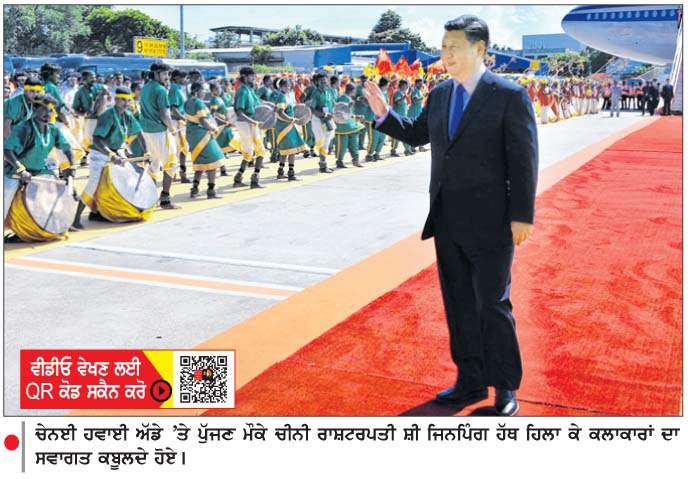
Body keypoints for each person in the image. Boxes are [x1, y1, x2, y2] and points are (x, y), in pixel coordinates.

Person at [364, 14, 538, 416]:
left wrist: (522, 215)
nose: (446, 54)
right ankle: (470, 379)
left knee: (493, 303)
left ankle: (505, 387)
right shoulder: (440, 93)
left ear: (480, 49)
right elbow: (417, 133)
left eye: (454, 47)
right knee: (458, 303)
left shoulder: (509, 95)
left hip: (493, 221)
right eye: (443, 47)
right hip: (447, 219)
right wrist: (385, 115)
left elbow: (524, 159)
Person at [73, 87, 147, 228]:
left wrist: (146, 153)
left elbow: (139, 133)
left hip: (116, 153)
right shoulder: (107, 116)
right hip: (99, 153)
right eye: (123, 100)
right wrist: (111, 155)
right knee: (93, 185)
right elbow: (97, 140)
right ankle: (75, 220)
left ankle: (99, 212)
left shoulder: (127, 115)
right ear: (116, 100)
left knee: (125, 178)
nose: (126, 103)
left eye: (128, 100)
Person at [4, 95, 75, 225]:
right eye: (44, 110)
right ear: (35, 108)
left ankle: (59, 225)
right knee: (5, 199)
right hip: (15, 171)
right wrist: (21, 170)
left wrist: (72, 166)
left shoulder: (53, 129)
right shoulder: (23, 128)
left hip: (39, 171)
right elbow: (7, 151)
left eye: (51, 110)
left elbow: (67, 149)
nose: (48, 114)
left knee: (59, 191)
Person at [139, 62, 181, 209]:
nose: (167, 76)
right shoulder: (160, 90)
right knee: (171, 164)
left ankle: (150, 198)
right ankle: (165, 199)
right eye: (164, 73)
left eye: (167, 74)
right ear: (156, 74)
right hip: (159, 131)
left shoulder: (145, 87)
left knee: (153, 166)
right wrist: (173, 129)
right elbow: (164, 115)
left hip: (146, 131)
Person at [184, 81, 225, 199]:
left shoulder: (188, 102)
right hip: (202, 136)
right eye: (203, 90)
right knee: (213, 161)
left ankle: (194, 189)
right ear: (196, 91)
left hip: (192, 135)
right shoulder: (198, 102)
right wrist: (213, 128)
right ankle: (211, 191)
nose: (205, 93)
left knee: (200, 163)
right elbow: (203, 120)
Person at [233, 66, 267, 189]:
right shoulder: (242, 90)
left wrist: (272, 106)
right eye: (251, 76)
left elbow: (259, 104)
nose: (254, 78)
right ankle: (254, 180)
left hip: (250, 123)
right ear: (244, 77)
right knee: (259, 151)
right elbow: (239, 112)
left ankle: (238, 178)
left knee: (249, 153)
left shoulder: (248, 89)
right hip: (246, 124)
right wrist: (254, 122)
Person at [272, 78, 307, 180]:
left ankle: (280, 172)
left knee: (285, 151)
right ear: (281, 87)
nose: (288, 87)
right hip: (285, 126)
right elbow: (280, 112)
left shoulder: (284, 96)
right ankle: (291, 173)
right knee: (292, 150)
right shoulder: (282, 97)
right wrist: (291, 119)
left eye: (288, 85)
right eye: (285, 86)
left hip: (286, 125)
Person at [308, 72, 336, 173]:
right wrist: (324, 115)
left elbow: (332, 104)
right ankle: (323, 165)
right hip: (318, 120)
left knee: (327, 141)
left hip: (328, 119)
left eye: (325, 80)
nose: (323, 82)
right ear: (317, 82)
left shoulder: (329, 91)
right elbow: (312, 109)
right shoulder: (315, 93)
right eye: (321, 81)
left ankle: (323, 164)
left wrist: (332, 113)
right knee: (322, 142)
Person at [334, 82, 365, 168]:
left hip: (351, 125)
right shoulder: (343, 98)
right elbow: (341, 112)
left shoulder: (347, 98)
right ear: (352, 90)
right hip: (343, 126)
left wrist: (356, 116)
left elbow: (349, 113)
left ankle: (355, 160)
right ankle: (340, 161)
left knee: (354, 143)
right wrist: (355, 115)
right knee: (343, 145)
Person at [168, 69, 191, 183]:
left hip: (179, 121)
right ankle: (182, 174)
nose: (185, 80)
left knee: (179, 149)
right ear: (177, 77)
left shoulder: (177, 88)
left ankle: (175, 173)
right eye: (184, 77)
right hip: (177, 122)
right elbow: (173, 109)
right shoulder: (174, 89)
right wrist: (184, 118)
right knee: (183, 148)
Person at [367, 77, 389, 161]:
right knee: (374, 138)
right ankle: (369, 155)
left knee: (382, 138)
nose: (388, 87)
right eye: (387, 85)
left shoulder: (385, 93)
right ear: (385, 85)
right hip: (374, 119)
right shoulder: (374, 92)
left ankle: (377, 154)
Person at [390, 79, 413, 156]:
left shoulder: (402, 94)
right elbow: (398, 102)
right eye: (406, 85)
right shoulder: (398, 93)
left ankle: (407, 150)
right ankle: (393, 150)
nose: (407, 87)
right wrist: (405, 95)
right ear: (402, 86)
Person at [408, 78, 427, 153]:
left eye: (422, 83)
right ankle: (412, 147)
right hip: (413, 113)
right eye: (420, 83)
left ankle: (420, 146)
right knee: (414, 130)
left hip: (418, 113)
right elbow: (415, 100)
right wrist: (423, 96)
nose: (421, 84)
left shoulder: (420, 91)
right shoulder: (415, 91)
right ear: (416, 84)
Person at [353, 75, 371, 151]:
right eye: (363, 80)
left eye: (365, 80)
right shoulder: (358, 88)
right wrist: (359, 98)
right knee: (357, 129)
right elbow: (353, 97)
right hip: (358, 111)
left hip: (366, 111)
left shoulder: (369, 88)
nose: (364, 81)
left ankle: (361, 145)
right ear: (360, 80)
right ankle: (355, 145)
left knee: (363, 129)